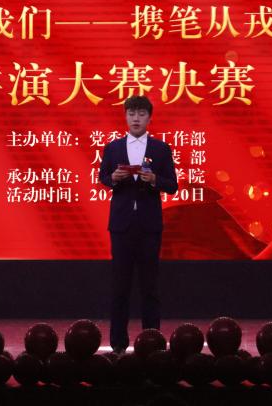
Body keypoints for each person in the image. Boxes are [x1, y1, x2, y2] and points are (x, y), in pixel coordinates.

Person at [98, 95, 179, 353]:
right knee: (119, 287)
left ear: (149, 118)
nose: (136, 118)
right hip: (121, 226)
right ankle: (118, 345)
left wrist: (154, 179)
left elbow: (172, 185)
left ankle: (151, 344)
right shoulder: (113, 148)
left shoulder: (160, 149)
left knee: (150, 288)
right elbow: (103, 178)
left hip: (149, 226)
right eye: (131, 113)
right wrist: (114, 177)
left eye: (141, 114)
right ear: (125, 116)